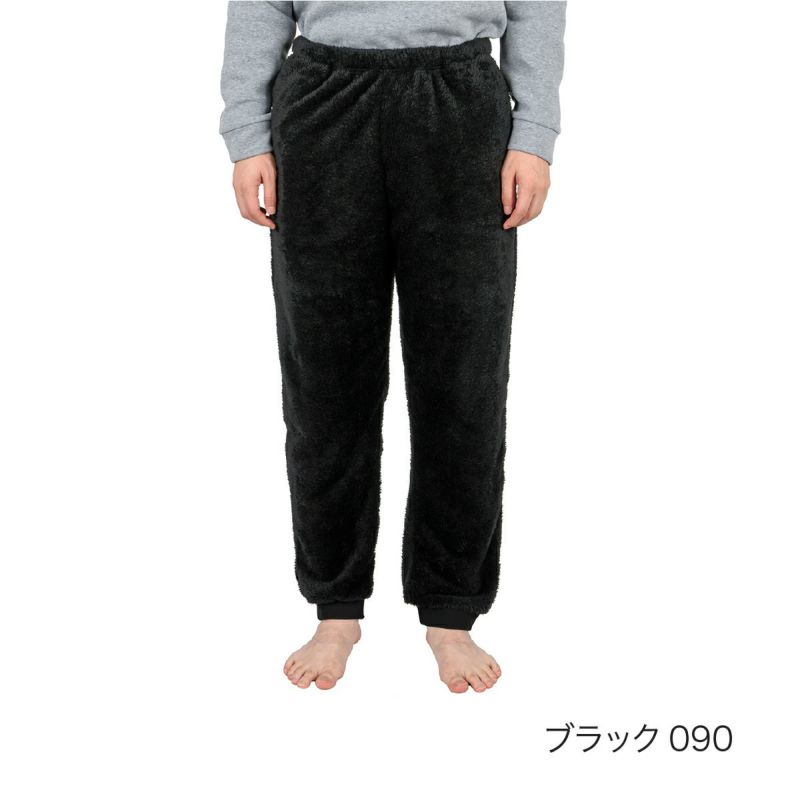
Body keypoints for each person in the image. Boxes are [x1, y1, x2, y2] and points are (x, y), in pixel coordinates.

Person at [219, 0, 566, 693]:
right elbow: (259, 6)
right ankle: (335, 608)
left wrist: (534, 132)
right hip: (322, 104)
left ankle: (451, 609)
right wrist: (247, 134)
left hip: (461, 106)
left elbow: (537, 9)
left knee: (464, 378)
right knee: (325, 379)